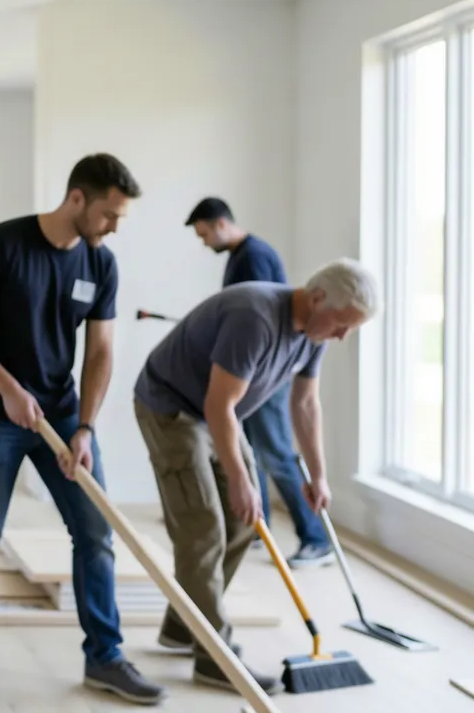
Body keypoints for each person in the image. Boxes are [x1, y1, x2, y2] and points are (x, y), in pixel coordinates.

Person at [0, 154, 167, 705]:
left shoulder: (100, 264)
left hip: (63, 415)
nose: (114, 226)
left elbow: (101, 350)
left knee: (95, 533)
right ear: (77, 200)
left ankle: (105, 657)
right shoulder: (3, 244)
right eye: (109, 214)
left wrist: (86, 427)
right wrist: (7, 389)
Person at [132, 259, 381, 694]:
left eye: (350, 330)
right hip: (172, 407)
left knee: (247, 523)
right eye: (342, 325)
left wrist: (318, 476)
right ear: (319, 297)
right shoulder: (256, 317)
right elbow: (217, 406)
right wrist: (242, 480)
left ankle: (183, 625)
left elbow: (305, 405)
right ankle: (215, 658)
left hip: (218, 414)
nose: (342, 337)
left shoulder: (315, 333)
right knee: (202, 529)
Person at [185, 197, 334, 570]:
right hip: (249, 372)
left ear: (220, 223)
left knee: (276, 453)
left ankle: (316, 539)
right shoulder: (241, 255)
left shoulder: (253, 256)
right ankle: (254, 527)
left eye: (204, 234)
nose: (204, 243)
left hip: (266, 373)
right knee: (249, 448)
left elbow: (261, 324)